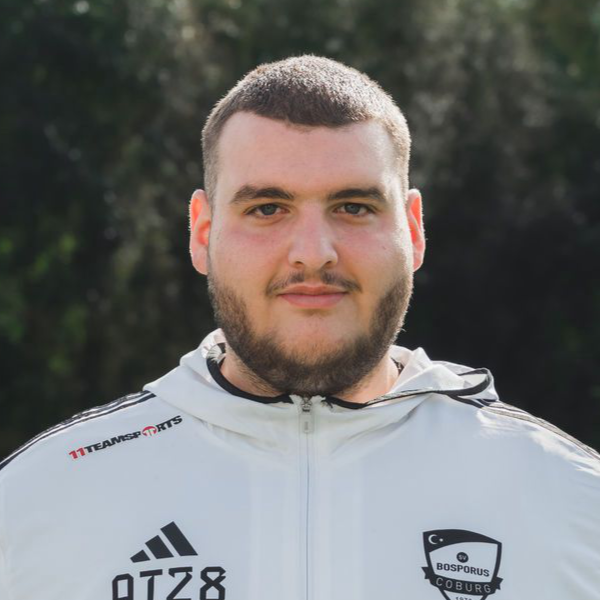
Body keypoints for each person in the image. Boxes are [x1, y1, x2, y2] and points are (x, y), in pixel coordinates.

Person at [1, 55, 599, 600]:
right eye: (267, 208)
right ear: (202, 233)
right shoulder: (38, 501)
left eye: (354, 207)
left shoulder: (572, 501)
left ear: (414, 231)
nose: (313, 253)